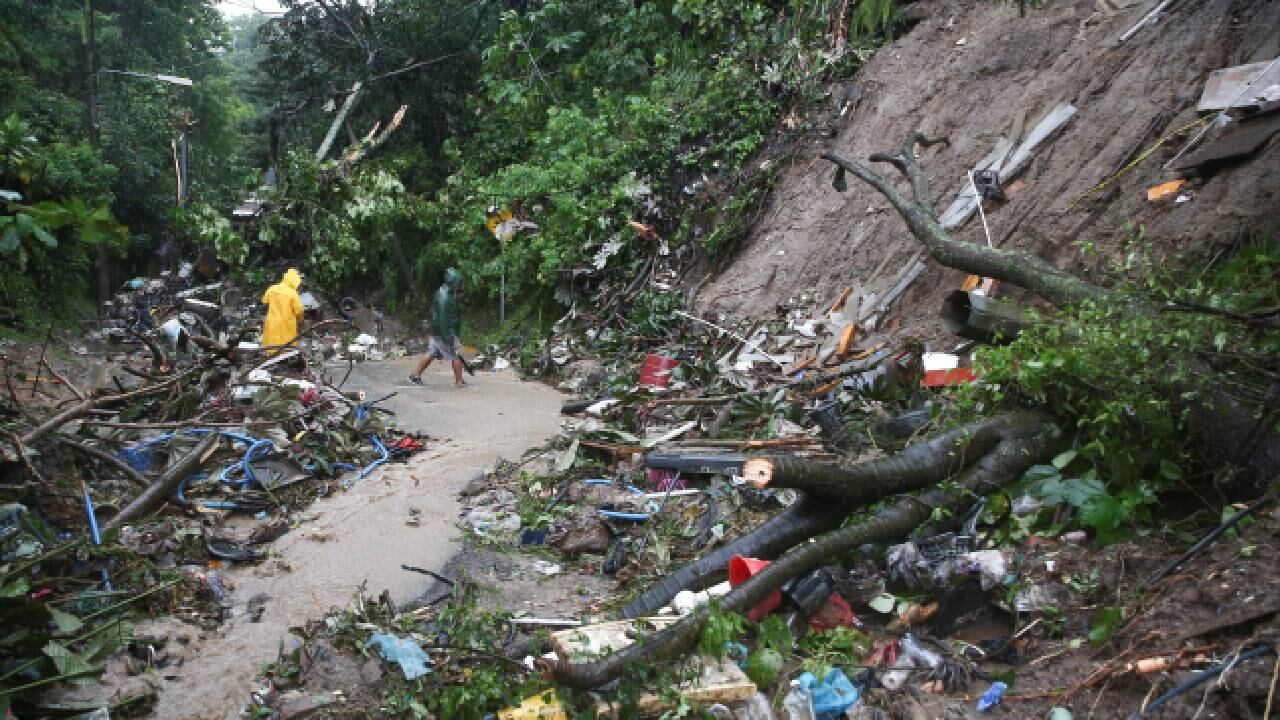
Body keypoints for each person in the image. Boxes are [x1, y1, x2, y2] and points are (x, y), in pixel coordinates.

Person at [409, 267, 466, 387]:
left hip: (439, 331)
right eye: (458, 282)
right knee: (456, 355)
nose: (459, 285)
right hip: (446, 331)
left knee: (432, 352)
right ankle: (459, 381)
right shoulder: (444, 297)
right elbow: (443, 319)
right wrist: (448, 338)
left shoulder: (445, 292)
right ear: (453, 282)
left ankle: (415, 375)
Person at [261, 268, 304, 353]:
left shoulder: (272, 288)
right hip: (286, 323)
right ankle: (284, 360)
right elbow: (299, 311)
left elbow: (264, 301)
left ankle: (270, 357)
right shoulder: (293, 293)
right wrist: (301, 319)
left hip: (272, 321)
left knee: (271, 344)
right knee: (286, 345)